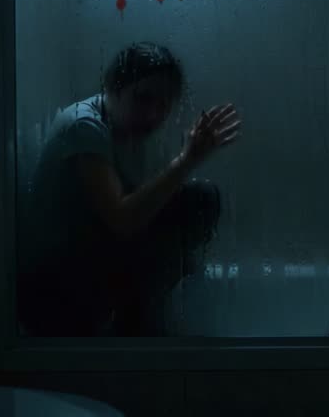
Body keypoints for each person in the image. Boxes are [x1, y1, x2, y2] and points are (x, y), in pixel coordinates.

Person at [17, 42, 242, 337]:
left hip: (85, 267)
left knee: (198, 200)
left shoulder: (119, 127)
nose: (153, 114)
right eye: (143, 99)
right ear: (113, 88)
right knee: (193, 201)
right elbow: (123, 220)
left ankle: (147, 328)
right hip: (52, 290)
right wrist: (187, 160)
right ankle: (138, 335)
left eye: (164, 104)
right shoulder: (84, 127)